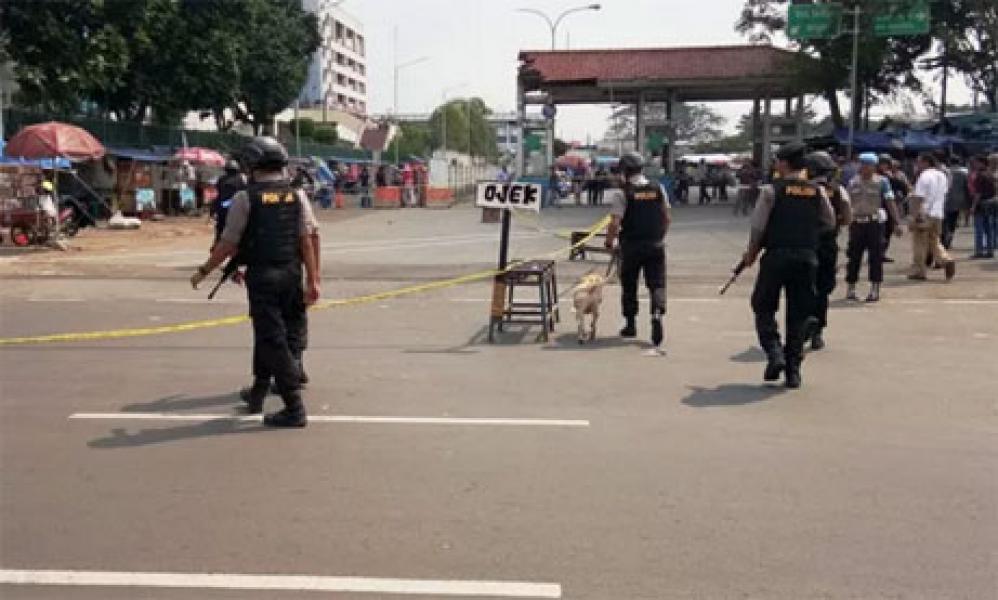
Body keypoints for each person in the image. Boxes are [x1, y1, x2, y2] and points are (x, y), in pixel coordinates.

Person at [190, 136, 320, 428]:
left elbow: (227, 245)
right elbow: (307, 241)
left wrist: (203, 271)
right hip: (291, 274)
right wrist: (313, 279)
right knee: (271, 336)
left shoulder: (245, 198)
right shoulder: (296, 195)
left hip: (263, 277)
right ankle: (258, 392)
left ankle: (294, 407)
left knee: (272, 339)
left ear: (251, 164)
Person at [742, 142, 835, 389]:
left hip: (776, 256)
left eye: (777, 161)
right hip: (807, 258)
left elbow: (758, 228)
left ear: (784, 163)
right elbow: (829, 222)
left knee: (762, 305)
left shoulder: (771, 191)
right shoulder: (817, 191)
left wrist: (751, 253)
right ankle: (793, 372)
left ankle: (775, 353)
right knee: (799, 313)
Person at [604, 151, 672, 349]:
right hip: (655, 245)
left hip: (631, 246)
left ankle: (631, 325)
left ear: (624, 171)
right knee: (657, 284)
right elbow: (667, 218)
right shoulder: (658, 188)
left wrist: (609, 243)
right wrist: (659, 237)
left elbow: (615, 223)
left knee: (629, 285)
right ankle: (657, 313)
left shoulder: (622, 193)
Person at [805, 151, 852, 351]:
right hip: (827, 244)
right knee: (823, 289)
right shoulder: (838, 190)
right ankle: (818, 332)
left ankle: (803, 326)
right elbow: (848, 216)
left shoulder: (801, 189)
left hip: (804, 244)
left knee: (803, 286)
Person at [844, 153, 902, 302]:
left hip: (874, 223)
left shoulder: (882, 182)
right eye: (862, 164)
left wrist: (896, 222)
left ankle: (874, 288)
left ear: (874, 167)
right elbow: (846, 203)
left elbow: (890, 201)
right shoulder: (852, 183)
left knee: (875, 257)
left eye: (868, 165)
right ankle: (851, 288)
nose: (865, 168)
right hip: (857, 223)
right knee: (854, 256)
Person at [907, 152, 956, 281]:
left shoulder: (924, 176)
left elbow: (919, 198)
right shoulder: (942, 175)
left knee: (919, 243)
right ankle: (946, 259)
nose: (916, 165)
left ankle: (919, 270)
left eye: (919, 162)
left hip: (924, 213)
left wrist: (915, 215)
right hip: (938, 213)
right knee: (934, 241)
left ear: (926, 163)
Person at [212, 160, 247, 244]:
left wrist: (214, 208)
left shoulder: (222, 179)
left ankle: (217, 243)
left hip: (224, 206)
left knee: (220, 226)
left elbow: (218, 194)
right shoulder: (242, 178)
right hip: (236, 205)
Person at [969, 153, 997, 259]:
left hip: (981, 205)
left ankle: (979, 251)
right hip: (991, 203)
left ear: (981, 163)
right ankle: (990, 251)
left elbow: (978, 193)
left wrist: (973, 206)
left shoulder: (980, 175)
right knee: (989, 229)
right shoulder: (990, 175)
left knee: (979, 229)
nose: (974, 164)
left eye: (976, 162)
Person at [942, 158, 970, 250]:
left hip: (946, 199)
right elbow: (967, 187)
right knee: (953, 221)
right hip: (959, 200)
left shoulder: (946, 172)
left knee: (946, 221)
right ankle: (949, 240)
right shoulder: (964, 173)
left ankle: (945, 240)